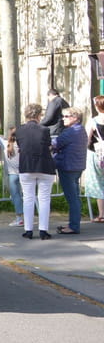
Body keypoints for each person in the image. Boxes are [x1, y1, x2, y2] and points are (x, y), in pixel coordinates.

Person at [16, 103, 56, 240]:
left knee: (28, 198)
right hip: (44, 166)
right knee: (44, 199)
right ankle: (43, 230)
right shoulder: (44, 130)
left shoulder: (19, 130)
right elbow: (48, 146)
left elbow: (21, 146)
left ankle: (28, 230)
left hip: (26, 166)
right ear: (39, 115)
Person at [52, 107, 87, 235]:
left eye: (66, 116)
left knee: (72, 198)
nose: (63, 119)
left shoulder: (71, 132)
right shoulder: (80, 129)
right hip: (77, 167)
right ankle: (74, 223)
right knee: (75, 197)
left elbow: (55, 143)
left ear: (75, 118)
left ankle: (73, 226)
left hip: (68, 167)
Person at [0, 128, 24, 226]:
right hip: (24, 172)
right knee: (29, 196)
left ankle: (19, 218)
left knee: (16, 196)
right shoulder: (23, 145)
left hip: (13, 174)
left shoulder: (6, 144)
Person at [84, 95, 104, 224]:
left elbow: (87, 139)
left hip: (97, 154)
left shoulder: (94, 121)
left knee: (98, 182)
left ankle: (102, 214)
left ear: (97, 106)